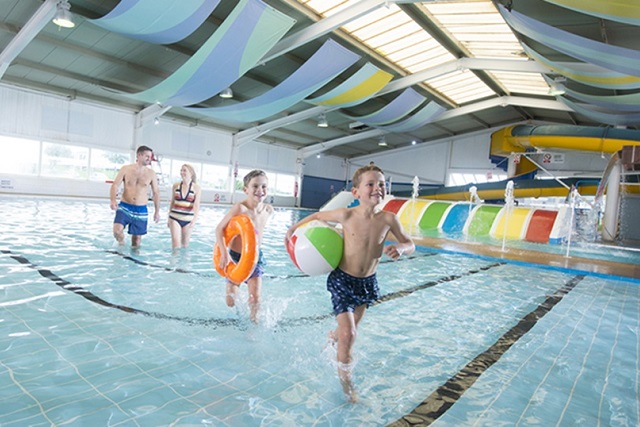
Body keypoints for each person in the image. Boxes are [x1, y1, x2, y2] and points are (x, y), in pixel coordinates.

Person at [284, 164, 415, 403]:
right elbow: (316, 216)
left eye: (382, 184)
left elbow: (410, 243)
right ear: (356, 192)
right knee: (350, 334)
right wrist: (292, 230)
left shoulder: (389, 219)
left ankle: (333, 336)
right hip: (343, 280)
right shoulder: (346, 215)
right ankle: (347, 387)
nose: (378, 188)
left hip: (367, 284)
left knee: (348, 332)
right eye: (371, 184)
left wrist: (401, 249)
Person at [215, 169, 274, 323]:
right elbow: (219, 229)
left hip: (255, 257)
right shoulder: (240, 209)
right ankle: (240, 303)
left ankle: (254, 325)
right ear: (246, 189)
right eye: (255, 186)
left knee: (255, 298)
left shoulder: (268, 210)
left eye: (264, 187)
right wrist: (224, 253)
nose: (260, 190)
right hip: (235, 257)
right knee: (231, 301)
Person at [109, 145, 160, 247]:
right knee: (117, 231)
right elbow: (115, 185)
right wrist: (113, 200)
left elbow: (156, 193)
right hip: (125, 206)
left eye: (150, 157)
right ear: (139, 155)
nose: (149, 159)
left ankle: (134, 260)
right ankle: (121, 244)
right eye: (147, 156)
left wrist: (157, 211)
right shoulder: (125, 169)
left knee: (136, 241)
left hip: (140, 209)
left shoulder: (151, 173)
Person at [168, 164, 201, 250]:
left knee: (185, 245)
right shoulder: (176, 186)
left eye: (184, 170)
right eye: (181, 170)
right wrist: (168, 218)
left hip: (188, 220)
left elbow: (196, 205)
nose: (182, 172)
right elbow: (172, 202)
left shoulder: (196, 188)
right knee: (176, 245)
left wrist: (194, 220)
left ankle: (183, 263)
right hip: (175, 218)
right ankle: (174, 263)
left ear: (191, 173)